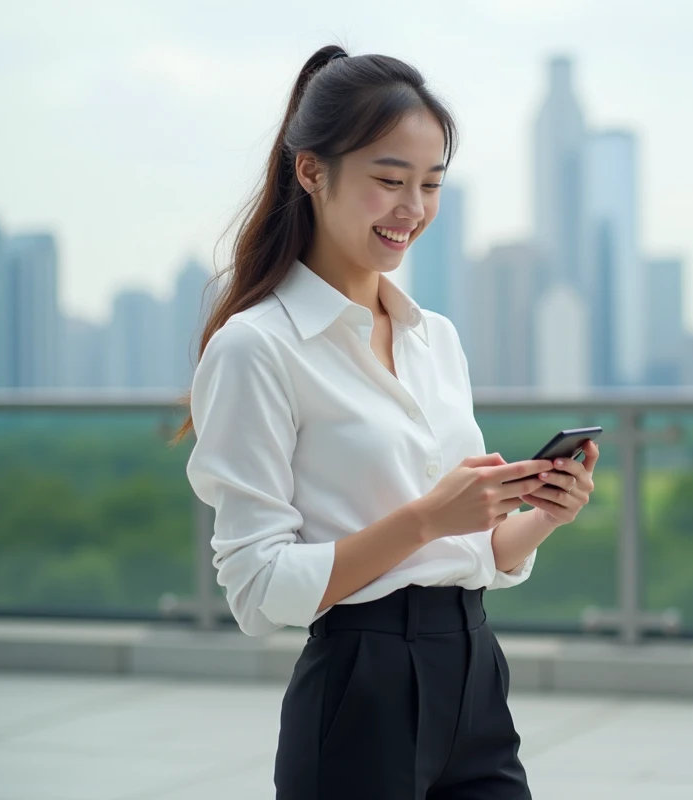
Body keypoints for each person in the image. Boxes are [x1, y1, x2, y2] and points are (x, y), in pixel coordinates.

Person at [176, 44, 599, 799]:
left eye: (431, 185)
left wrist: (540, 515)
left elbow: (468, 548)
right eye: (388, 180)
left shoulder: (434, 337)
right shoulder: (258, 347)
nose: (413, 208)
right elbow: (256, 586)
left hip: (473, 673)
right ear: (311, 171)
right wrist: (426, 519)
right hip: (359, 691)